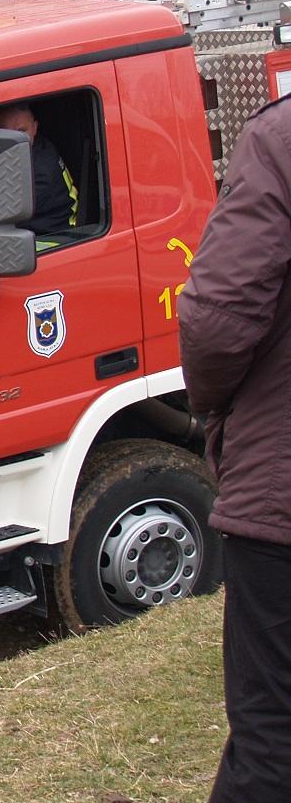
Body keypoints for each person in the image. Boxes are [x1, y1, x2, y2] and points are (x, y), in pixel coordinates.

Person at [180, 96, 291, 802]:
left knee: (271, 735)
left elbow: (217, 320)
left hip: (282, 503)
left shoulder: (280, 140)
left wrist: (217, 411)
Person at [0, 102, 78, 234]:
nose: (15, 140)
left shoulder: (41, 170)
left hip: (53, 236)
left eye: (21, 131)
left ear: (34, 128)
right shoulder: (31, 146)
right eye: (6, 132)